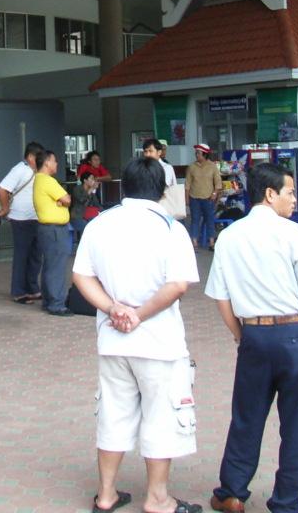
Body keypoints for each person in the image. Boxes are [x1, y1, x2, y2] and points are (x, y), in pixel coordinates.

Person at [204, 163, 298, 513]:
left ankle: (232, 492)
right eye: (290, 192)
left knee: (246, 417)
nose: (294, 199)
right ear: (270, 194)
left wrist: (242, 335)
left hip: (254, 335)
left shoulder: (229, 236)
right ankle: (286, 501)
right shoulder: (294, 234)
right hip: (295, 336)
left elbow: (221, 298)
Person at [71, 156, 202, 513]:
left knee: (113, 415)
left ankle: (106, 495)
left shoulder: (100, 223)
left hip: (113, 340)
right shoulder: (171, 229)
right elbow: (177, 286)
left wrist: (113, 309)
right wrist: (139, 316)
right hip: (159, 343)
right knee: (161, 418)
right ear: (162, 189)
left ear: (123, 187)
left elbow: (81, 276)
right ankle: (158, 498)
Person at [0, 142, 43, 304]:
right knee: (22, 256)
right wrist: (5, 208)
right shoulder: (19, 169)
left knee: (35, 256)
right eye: (38, 157)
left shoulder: (37, 171)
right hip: (21, 219)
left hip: (36, 218)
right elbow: (2, 188)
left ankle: (32, 288)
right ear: (30, 157)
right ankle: (18, 292)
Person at [33, 149, 74, 317]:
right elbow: (67, 199)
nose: (57, 164)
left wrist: (60, 201)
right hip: (55, 229)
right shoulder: (48, 181)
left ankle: (48, 301)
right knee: (57, 266)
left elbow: (63, 200)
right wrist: (61, 201)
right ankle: (57, 304)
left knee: (50, 265)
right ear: (47, 163)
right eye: (54, 160)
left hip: (46, 228)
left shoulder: (38, 179)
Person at [185, 143, 220, 250]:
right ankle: (194, 242)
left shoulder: (212, 166)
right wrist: (186, 198)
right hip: (194, 198)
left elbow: (218, 183)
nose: (196, 155)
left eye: (198, 153)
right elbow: (187, 184)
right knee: (195, 220)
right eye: (196, 153)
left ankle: (211, 243)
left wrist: (214, 194)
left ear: (205, 154)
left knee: (210, 220)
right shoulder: (191, 167)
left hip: (208, 198)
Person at [143, 139, 182, 220]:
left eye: (150, 151)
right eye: (145, 151)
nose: (147, 154)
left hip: (163, 206)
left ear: (159, 152)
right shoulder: (142, 168)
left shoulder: (166, 167)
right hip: (146, 207)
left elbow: (163, 186)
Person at [71, 172, 102, 244]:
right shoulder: (77, 189)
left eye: (94, 179)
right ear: (85, 180)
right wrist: (91, 189)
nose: (93, 180)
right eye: (91, 178)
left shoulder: (91, 191)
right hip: (77, 217)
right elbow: (82, 200)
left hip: (88, 216)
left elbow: (97, 204)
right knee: (87, 227)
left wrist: (105, 213)